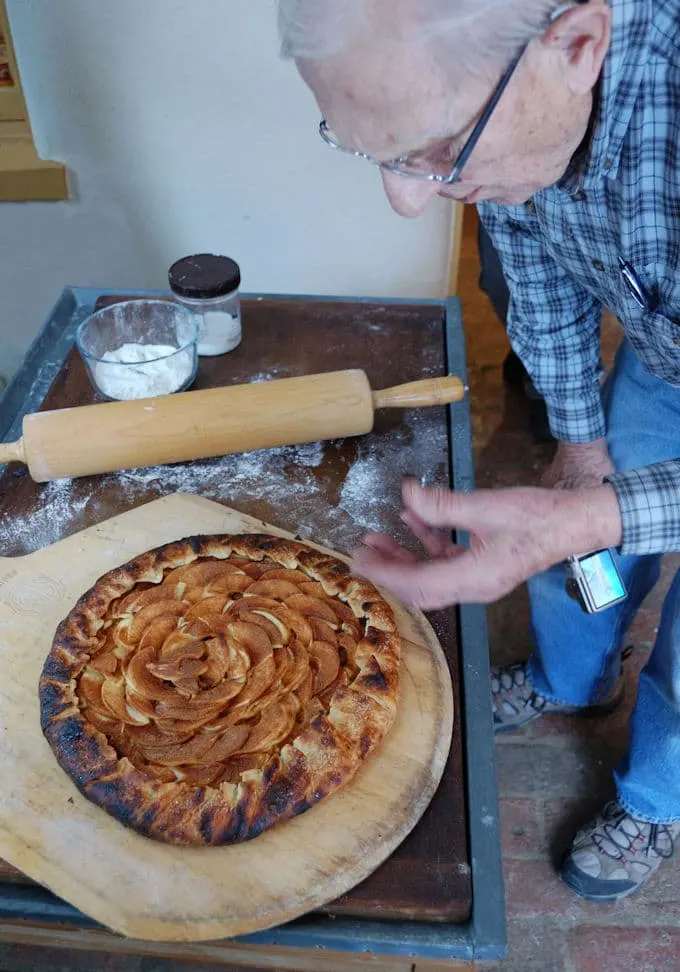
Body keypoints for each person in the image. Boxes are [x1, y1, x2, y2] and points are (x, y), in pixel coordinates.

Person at [278, 0, 680, 902]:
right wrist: (581, 456)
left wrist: (598, 507)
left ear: (579, 46)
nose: (407, 198)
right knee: (585, 558)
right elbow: (537, 272)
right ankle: (573, 678)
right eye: (370, 148)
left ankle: (658, 793)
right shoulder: (519, 126)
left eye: (436, 149)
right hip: (665, 366)